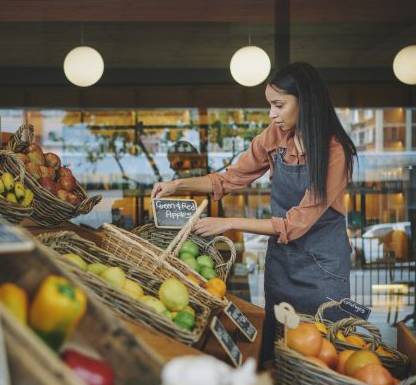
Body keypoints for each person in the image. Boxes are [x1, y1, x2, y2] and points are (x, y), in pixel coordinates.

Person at [152, 62, 357, 360]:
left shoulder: (335, 153)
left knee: (324, 354)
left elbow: (295, 224)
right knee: (278, 350)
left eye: (279, 105)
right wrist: (178, 184)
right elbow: (229, 177)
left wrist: (229, 222)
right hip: (283, 265)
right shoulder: (275, 137)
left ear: (305, 102)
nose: (272, 114)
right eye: (270, 106)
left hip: (323, 270)